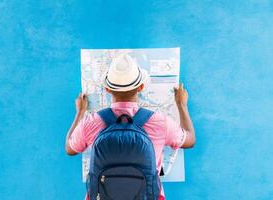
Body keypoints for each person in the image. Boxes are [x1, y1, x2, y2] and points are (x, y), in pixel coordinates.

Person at [65, 54, 196, 200]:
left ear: (107, 89)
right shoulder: (160, 122)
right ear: (141, 86)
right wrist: (182, 105)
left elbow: (70, 149)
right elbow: (190, 140)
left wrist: (80, 112)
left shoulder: (90, 122)